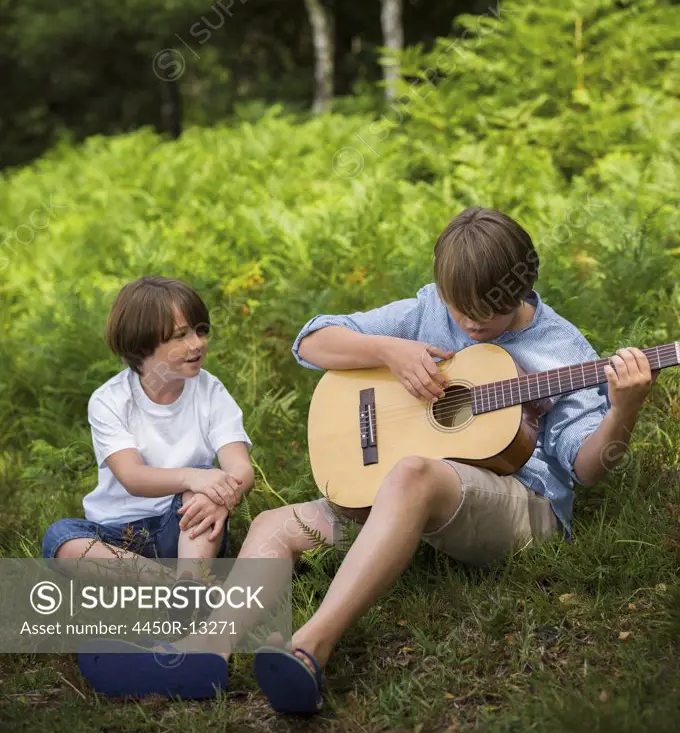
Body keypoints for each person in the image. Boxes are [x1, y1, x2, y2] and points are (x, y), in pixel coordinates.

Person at [76, 209, 656, 706]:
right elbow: (312, 342)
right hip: (409, 493)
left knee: (413, 471)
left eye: (488, 311)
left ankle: (309, 648)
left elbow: (586, 466)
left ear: (522, 286)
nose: (471, 323)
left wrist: (623, 409)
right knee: (279, 525)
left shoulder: (560, 351)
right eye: (459, 308)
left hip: (521, 509)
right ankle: (203, 657)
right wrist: (388, 349)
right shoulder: (431, 308)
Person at [41, 276, 254, 698]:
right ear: (141, 348)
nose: (197, 343)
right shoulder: (109, 400)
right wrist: (197, 475)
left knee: (201, 496)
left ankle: (184, 593)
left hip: (185, 530)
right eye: (180, 336)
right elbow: (133, 477)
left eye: (200, 330)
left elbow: (239, 468)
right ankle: (175, 595)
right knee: (61, 538)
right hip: (117, 536)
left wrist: (220, 492)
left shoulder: (209, 392)